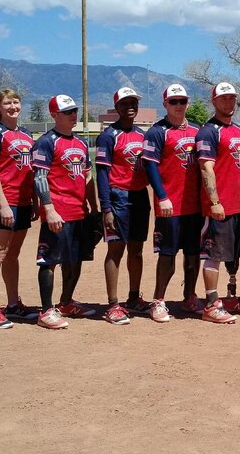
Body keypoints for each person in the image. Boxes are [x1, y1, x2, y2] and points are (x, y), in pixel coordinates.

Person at [32, 94, 99, 329]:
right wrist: (48, 210)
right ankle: (46, 310)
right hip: (58, 211)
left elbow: (88, 176)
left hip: (79, 211)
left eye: (75, 111)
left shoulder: (80, 143)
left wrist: (94, 207)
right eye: (68, 112)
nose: (74, 115)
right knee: (49, 260)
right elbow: (39, 177)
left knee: (74, 259)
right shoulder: (46, 142)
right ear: (54, 115)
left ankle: (66, 302)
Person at [142, 84, 203, 323]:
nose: (179, 105)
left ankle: (190, 296)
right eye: (174, 101)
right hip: (170, 204)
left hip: (194, 205)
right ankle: (159, 300)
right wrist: (162, 196)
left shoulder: (198, 131)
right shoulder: (157, 132)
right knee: (167, 254)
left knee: (193, 254)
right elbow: (150, 166)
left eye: (182, 101)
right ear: (165, 104)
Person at [0, 88, 39, 329]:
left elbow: (31, 171)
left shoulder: (25, 134)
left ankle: (13, 304)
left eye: (15, 102)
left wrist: (34, 200)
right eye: (7, 103)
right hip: (2, 203)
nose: (12, 106)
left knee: (12, 255)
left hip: (23, 202)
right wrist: (3, 205)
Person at [195, 82, 240, 324]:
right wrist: (214, 201)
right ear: (214, 101)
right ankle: (210, 303)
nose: (228, 102)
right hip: (219, 206)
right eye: (223, 98)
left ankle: (229, 297)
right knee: (214, 254)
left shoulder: (239, 131)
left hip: (238, 205)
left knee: (232, 255)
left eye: (231, 98)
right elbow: (206, 167)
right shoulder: (209, 131)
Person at [96, 87, 151, 325]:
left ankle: (133, 297)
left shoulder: (142, 135)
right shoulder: (108, 136)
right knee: (115, 250)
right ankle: (113, 304)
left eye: (134, 103)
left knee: (137, 250)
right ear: (116, 107)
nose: (131, 106)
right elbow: (101, 173)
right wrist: (106, 208)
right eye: (125, 103)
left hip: (139, 197)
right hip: (117, 197)